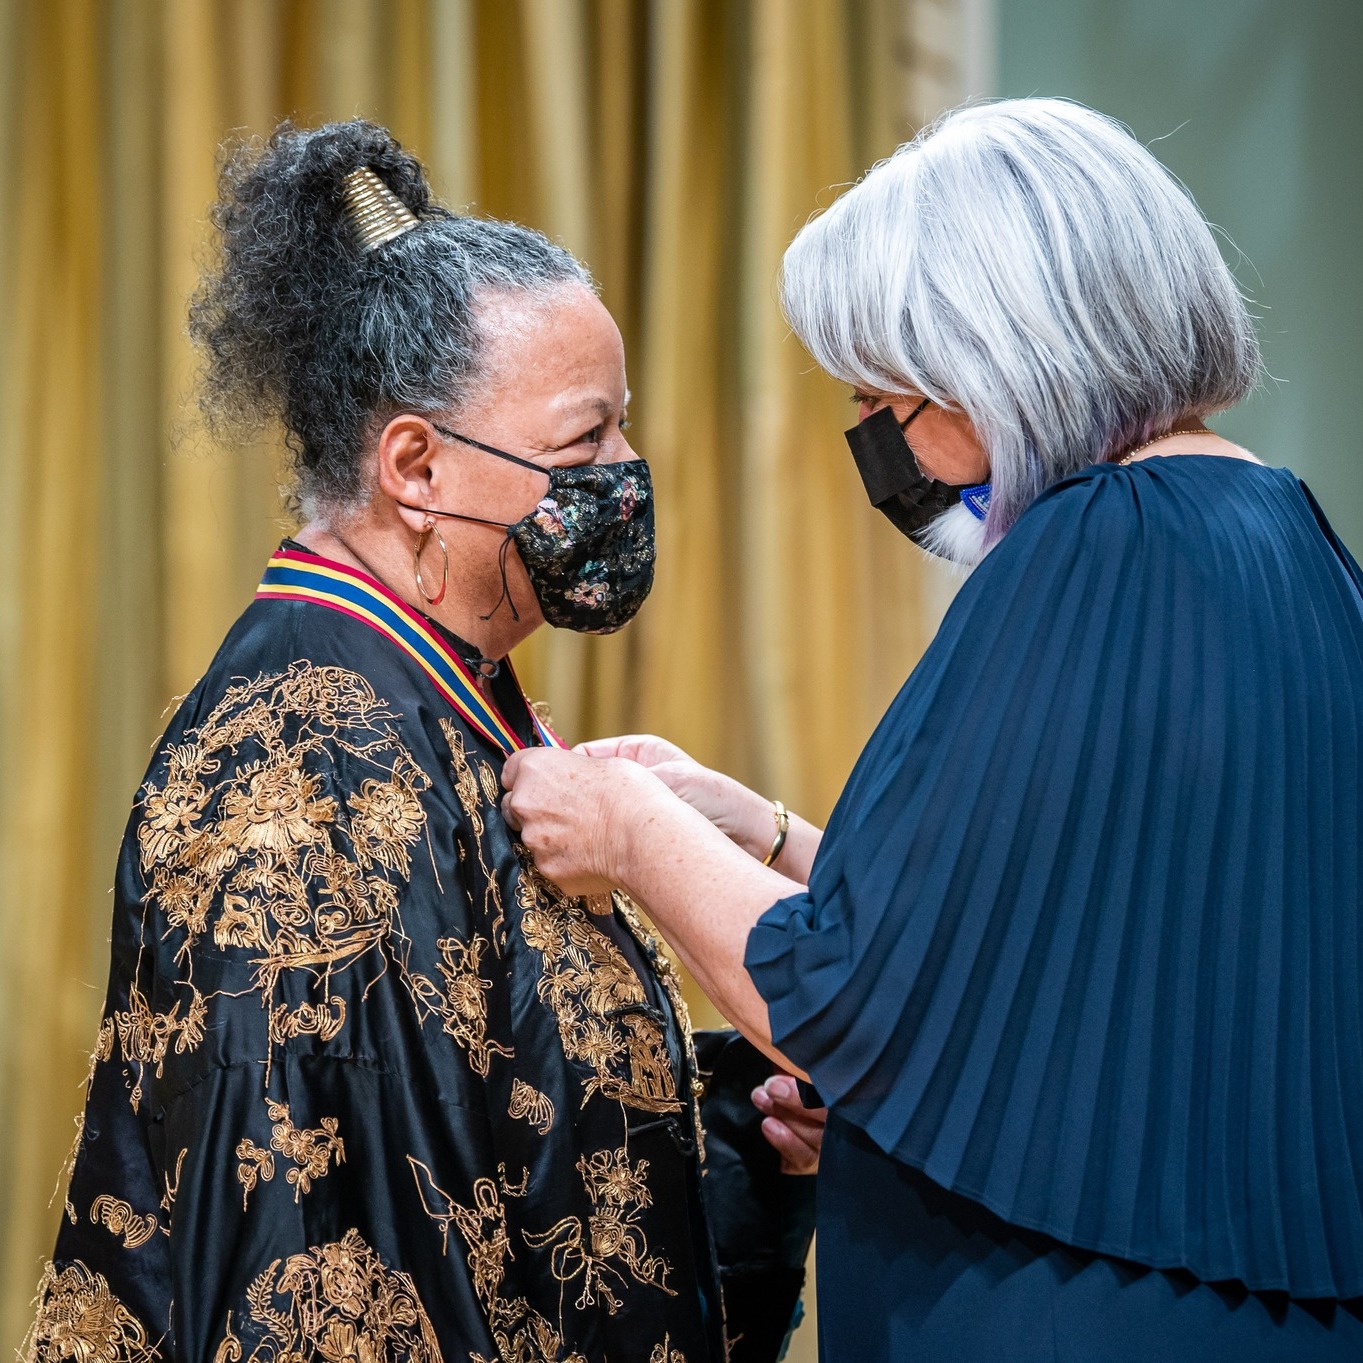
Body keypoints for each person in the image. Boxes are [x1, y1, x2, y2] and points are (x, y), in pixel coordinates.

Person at [501, 99, 1363, 1361]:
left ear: (996, 358)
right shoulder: (1286, 540)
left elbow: (849, 1000)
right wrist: (771, 835)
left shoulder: (1088, 549)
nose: (875, 441)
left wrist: (628, 831)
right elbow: (1060, 940)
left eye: (883, 397)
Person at [24, 120, 820, 1363]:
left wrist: (733, 1125)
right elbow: (318, 1270)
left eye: (621, 431)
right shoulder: (300, 758)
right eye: (583, 441)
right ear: (415, 465)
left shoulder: (442, 689)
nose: (625, 472)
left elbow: (494, 1114)